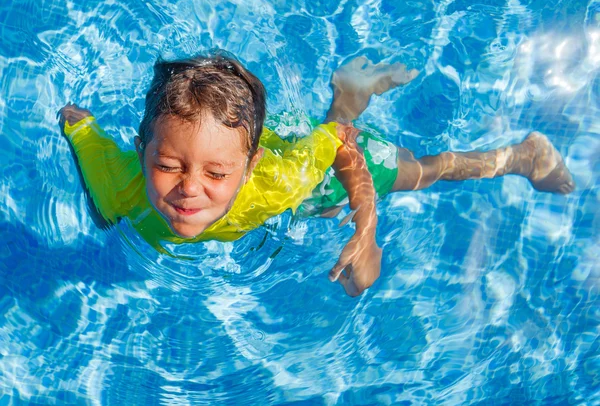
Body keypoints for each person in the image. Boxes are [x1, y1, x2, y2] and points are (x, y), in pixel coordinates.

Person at [59, 53, 575, 297]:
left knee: (418, 172)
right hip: (272, 143)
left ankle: (520, 155)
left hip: (308, 160)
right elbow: (78, 124)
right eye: (167, 165)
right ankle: (348, 93)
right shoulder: (116, 183)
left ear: (248, 167)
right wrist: (73, 124)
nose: (189, 187)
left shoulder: (275, 181)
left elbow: (342, 149)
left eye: (216, 172)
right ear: (140, 150)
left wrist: (365, 230)